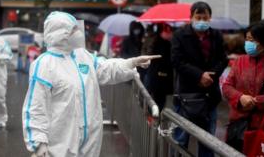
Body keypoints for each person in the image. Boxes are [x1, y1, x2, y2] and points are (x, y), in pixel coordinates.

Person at [22, 11, 161, 157]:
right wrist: (38, 143)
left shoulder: (82, 55)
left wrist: (130, 63)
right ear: (60, 34)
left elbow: (105, 69)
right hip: (61, 139)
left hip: (90, 137)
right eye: (73, 30)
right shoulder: (44, 65)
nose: (79, 33)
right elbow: (35, 107)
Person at [171, 1, 228, 157]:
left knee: (208, 140)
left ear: (210, 18)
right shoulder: (180, 35)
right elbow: (177, 61)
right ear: (191, 17)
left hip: (210, 95)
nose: (202, 21)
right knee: (180, 139)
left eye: (205, 17)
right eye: (198, 17)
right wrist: (199, 75)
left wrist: (211, 75)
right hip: (187, 95)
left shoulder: (216, 36)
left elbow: (223, 60)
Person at [222, 23, 264, 154]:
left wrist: (259, 101)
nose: (248, 43)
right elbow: (227, 86)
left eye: (252, 40)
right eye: (246, 39)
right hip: (239, 127)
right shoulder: (240, 61)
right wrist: (240, 98)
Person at [144, 23, 174, 111]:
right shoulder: (158, 43)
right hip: (158, 77)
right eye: (166, 31)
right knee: (158, 100)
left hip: (162, 78)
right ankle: (154, 119)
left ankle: (155, 119)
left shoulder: (167, 43)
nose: (169, 33)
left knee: (160, 100)